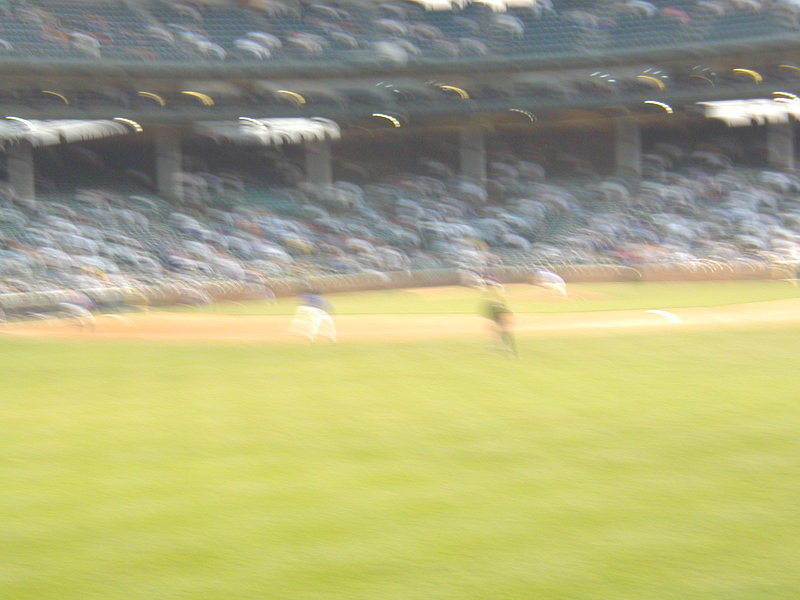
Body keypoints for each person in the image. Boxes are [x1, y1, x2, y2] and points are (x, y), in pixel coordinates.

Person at [480, 288, 517, 357]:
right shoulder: (499, 305)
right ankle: (503, 347)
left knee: (500, 333)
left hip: (499, 320)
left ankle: (505, 347)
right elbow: (507, 312)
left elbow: (495, 314)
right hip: (500, 320)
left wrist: (490, 322)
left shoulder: (495, 305)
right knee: (501, 333)